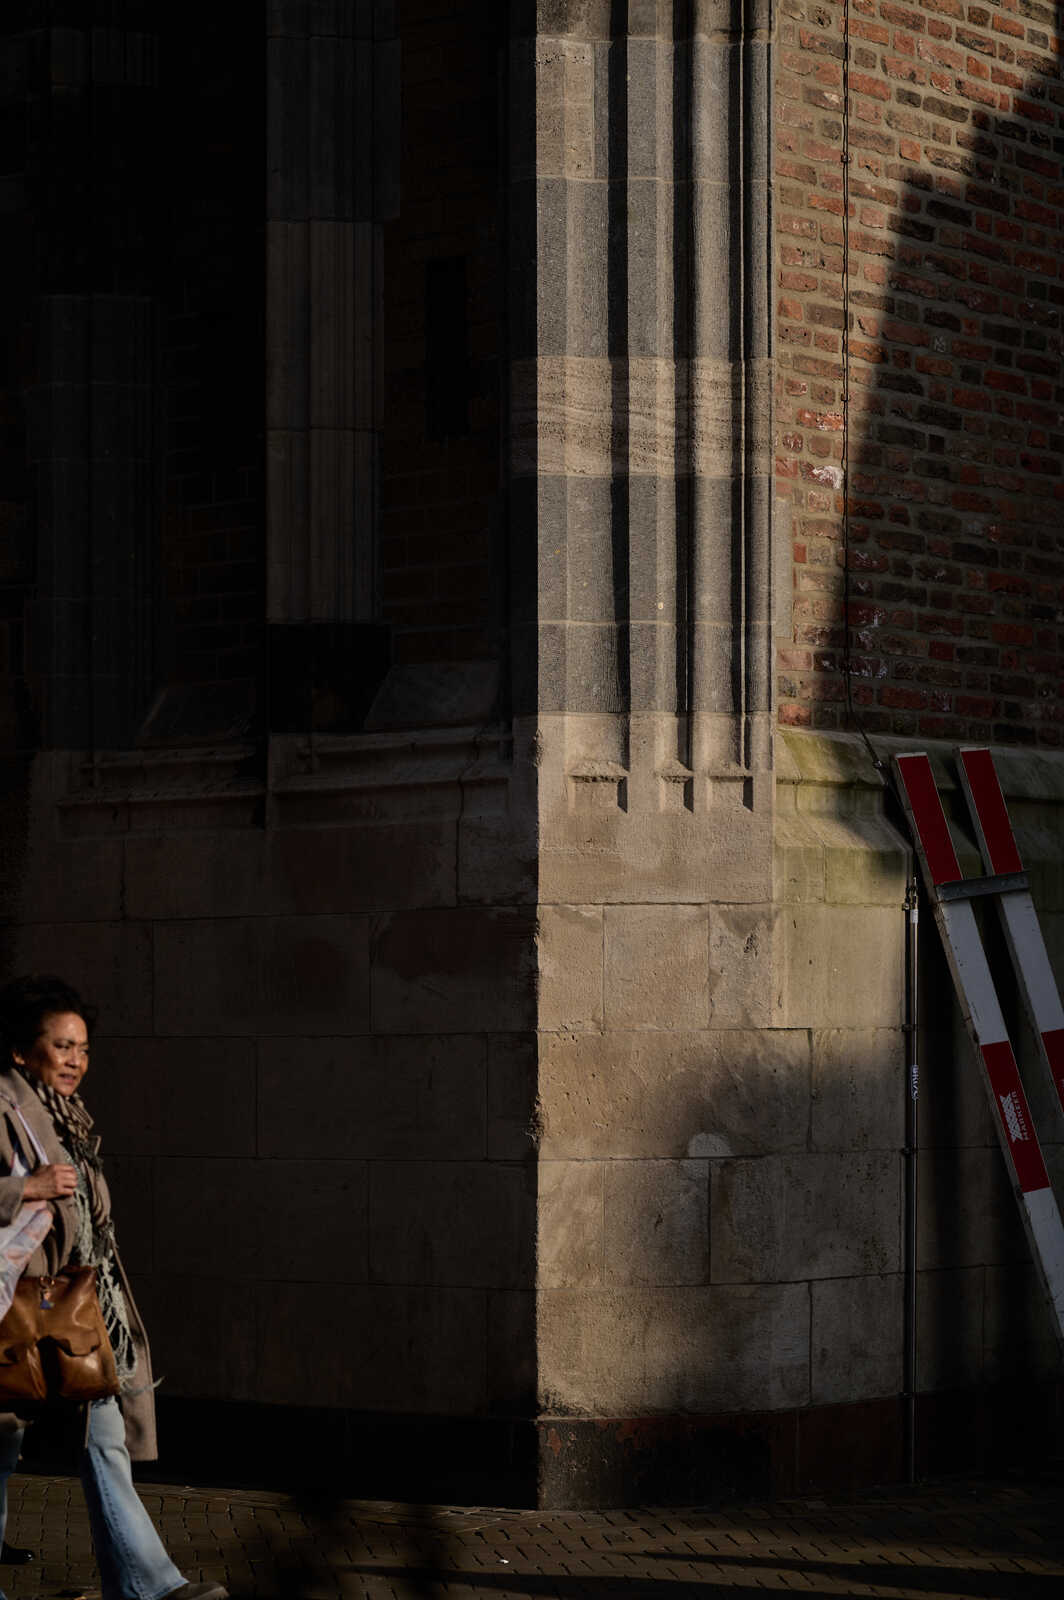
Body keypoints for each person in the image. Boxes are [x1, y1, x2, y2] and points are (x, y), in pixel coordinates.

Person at [0, 975, 227, 1600]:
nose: (76, 1060)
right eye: (61, 1046)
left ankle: (147, 1586)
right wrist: (28, 1188)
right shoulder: (1, 1105)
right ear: (22, 1051)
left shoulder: (69, 1117)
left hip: (69, 1310)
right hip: (11, 1315)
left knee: (105, 1441)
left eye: (83, 1048)